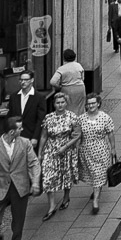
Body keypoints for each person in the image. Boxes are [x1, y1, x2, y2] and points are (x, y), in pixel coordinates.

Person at [0, 116, 41, 240]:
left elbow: (33, 163)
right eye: (20, 128)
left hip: (19, 187)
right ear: (12, 132)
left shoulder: (25, 143)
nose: (22, 130)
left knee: (18, 222)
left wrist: (35, 182)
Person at [38, 92, 80, 220]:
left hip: (66, 150)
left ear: (66, 103)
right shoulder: (49, 118)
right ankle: (51, 205)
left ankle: (66, 197)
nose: (60, 105)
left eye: (62, 102)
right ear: (54, 104)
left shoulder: (72, 117)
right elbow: (44, 135)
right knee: (48, 177)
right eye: (57, 103)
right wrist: (40, 152)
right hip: (51, 151)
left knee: (66, 175)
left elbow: (77, 135)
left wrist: (65, 147)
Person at [78, 93, 117, 214]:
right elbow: (78, 135)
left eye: (93, 103)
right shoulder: (81, 119)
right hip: (86, 151)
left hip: (101, 151)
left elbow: (110, 133)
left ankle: (95, 201)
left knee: (98, 174)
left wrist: (113, 148)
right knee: (93, 174)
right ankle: (96, 189)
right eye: (89, 104)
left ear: (98, 104)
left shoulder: (105, 117)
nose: (91, 106)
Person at [7, 71, 47, 152]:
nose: (23, 82)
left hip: (31, 136)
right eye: (21, 80)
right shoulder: (14, 97)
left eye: (26, 80)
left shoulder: (39, 97)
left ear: (32, 80)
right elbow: (10, 116)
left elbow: (40, 120)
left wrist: (35, 137)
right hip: (16, 136)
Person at [49, 49, 86, 115]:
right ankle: (80, 121)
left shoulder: (62, 68)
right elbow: (82, 78)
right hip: (80, 88)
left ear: (64, 58)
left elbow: (52, 81)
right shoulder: (79, 65)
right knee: (80, 107)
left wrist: (59, 87)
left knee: (68, 107)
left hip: (67, 89)